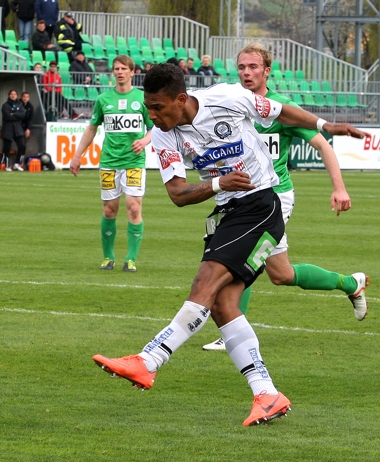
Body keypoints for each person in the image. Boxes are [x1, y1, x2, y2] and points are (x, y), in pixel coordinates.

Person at [90, 63, 367, 427]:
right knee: (222, 303)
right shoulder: (162, 135)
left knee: (207, 281)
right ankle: (267, 394)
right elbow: (177, 194)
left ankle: (150, 359)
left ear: (181, 99)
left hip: (263, 205)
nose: (152, 115)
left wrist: (324, 126)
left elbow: (281, 110)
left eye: (158, 107)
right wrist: (219, 184)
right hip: (227, 212)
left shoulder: (227, 98)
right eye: (148, 107)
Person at [201, 42, 370, 352]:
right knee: (281, 274)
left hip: (275, 197)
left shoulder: (281, 107)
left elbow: (323, 145)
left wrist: (340, 188)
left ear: (267, 71)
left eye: (253, 67)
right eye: (242, 67)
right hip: (241, 197)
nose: (247, 72)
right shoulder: (232, 104)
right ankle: (350, 283)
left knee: (242, 256)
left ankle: (230, 333)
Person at [69, 55, 153, 272]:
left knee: (134, 207)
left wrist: (144, 141)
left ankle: (131, 259)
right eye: (116, 68)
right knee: (109, 210)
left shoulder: (143, 99)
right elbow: (92, 128)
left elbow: (157, 127)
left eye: (124, 68)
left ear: (132, 72)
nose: (119, 72)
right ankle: (108, 257)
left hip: (133, 161)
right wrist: (77, 155)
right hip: (109, 161)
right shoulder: (103, 99)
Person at [1, 89, 27, 171]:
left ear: (17, 96)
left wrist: (13, 114)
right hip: (8, 128)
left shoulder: (20, 104)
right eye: (11, 94)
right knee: (7, 148)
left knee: (22, 145)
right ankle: (7, 165)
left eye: (15, 94)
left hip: (18, 128)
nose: (13, 95)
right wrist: (17, 114)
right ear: (9, 95)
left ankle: (17, 163)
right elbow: (7, 116)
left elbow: (23, 115)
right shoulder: (5, 105)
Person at [20, 91, 34, 166]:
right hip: (17, 127)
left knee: (23, 145)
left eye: (27, 97)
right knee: (21, 145)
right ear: (21, 97)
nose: (25, 98)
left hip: (24, 128)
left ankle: (20, 162)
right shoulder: (18, 104)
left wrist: (28, 128)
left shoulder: (30, 106)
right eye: (24, 97)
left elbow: (30, 119)